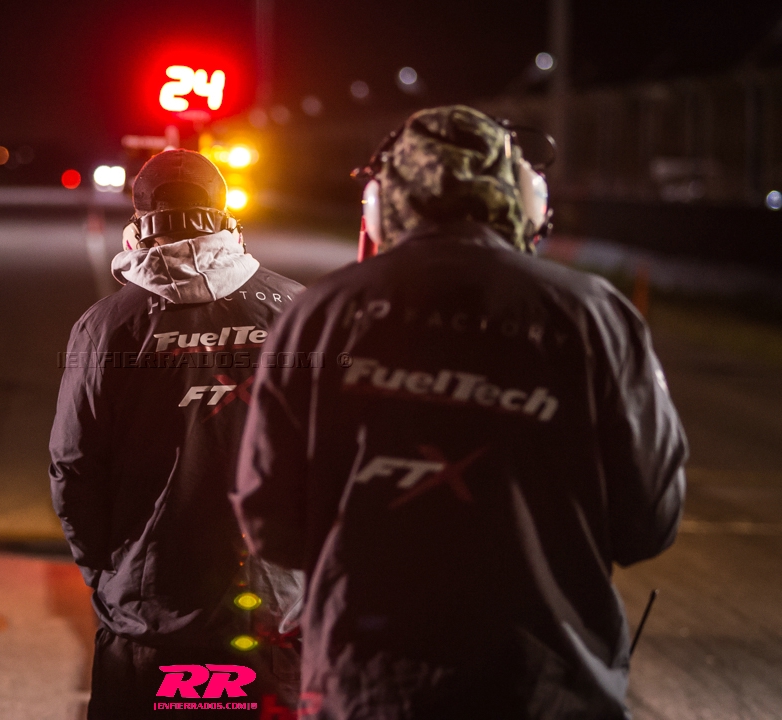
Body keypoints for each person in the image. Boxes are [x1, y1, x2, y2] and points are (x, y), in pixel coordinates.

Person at [233, 105, 687, 719]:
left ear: (380, 206)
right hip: (545, 692)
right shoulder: (595, 316)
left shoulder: (319, 314)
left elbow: (271, 525)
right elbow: (649, 523)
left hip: (368, 691)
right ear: (528, 203)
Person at [50, 149, 306, 718]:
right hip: (275, 612)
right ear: (227, 219)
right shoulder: (299, 310)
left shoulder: (106, 325)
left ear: (140, 227)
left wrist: (110, 575)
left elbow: (74, 467)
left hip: (150, 613)